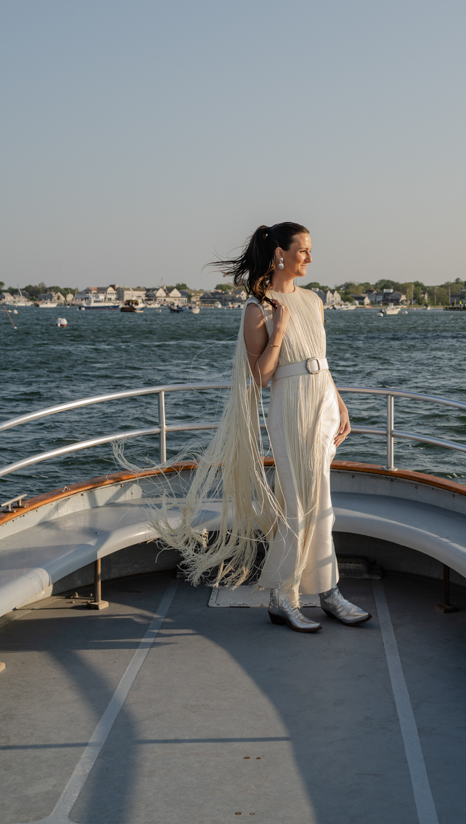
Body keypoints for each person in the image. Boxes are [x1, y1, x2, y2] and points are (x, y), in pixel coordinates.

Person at [150, 221, 371, 635]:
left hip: (323, 403)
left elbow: (321, 361)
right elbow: (261, 377)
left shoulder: (314, 300)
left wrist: (340, 403)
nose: (310, 257)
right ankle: (286, 596)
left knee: (320, 503)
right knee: (297, 503)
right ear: (280, 254)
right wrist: (279, 329)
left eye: (310, 249)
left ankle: (324, 592)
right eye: (303, 250)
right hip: (291, 408)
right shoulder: (259, 308)